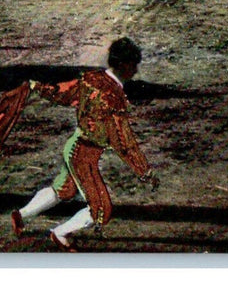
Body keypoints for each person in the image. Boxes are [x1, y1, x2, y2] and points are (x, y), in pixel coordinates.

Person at [11, 37, 157, 252]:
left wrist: (38, 87)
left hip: (74, 145)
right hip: (84, 155)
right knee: (101, 209)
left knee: (64, 189)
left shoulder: (90, 78)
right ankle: (60, 233)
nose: (135, 71)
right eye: (134, 65)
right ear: (124, 65)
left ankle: (21, 214)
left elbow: (63, 92)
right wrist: (144, 171)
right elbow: (123, 141)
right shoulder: (114, 97)